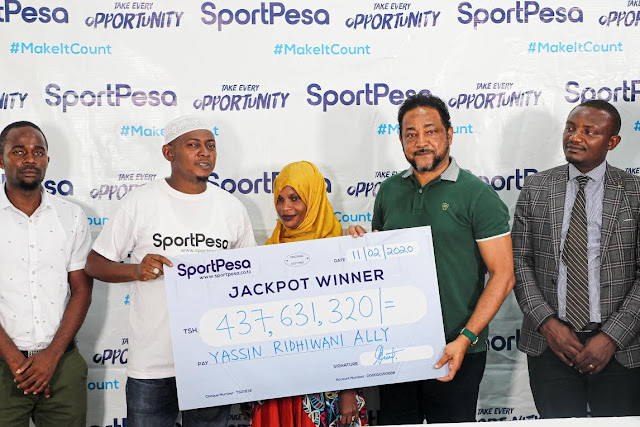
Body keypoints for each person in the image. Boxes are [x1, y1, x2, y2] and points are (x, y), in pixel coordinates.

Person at [346, 94, 514, 424]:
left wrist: (465, 338)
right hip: (397, 348)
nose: (421, 142)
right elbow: (382, 266)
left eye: (430, 131)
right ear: (400, 140)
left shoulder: (477, 195)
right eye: (411, 134)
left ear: (449, 134)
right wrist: (361, 246)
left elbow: (503, 275)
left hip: (456, 347)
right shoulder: (389, 191)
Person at [84, 115, 256, 427]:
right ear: (168, 152)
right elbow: (95, 263)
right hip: (152, 365)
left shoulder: (232, 209)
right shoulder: (140, 202)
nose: (204, 152)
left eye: (210, 146)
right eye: (193, 145)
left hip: (211, 360)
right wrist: (136, 270)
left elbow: (250, 279)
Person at [512, 100, 640, 418]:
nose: (575, 137)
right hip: (550, 346)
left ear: (612, 141)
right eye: (570, 128)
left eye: (589, 131)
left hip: (620, 348)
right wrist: (548, 324)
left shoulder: (635, 191)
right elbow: (519, 261)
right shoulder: (537, 187)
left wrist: (611, 337)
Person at [250, 161, 367, 427]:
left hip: (327, 388)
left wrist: (348, 389)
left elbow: (356, 325)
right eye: (280, 199)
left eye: (295, 198)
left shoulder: (341, 249)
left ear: (313, 199)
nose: (285, 208)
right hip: (276, 387)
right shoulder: (265, 254)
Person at [0, 121, 93, 426]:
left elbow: (81, 290)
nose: (30, 159)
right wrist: (17, 361)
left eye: (38, 152)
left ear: (48, 160)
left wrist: (51, 357)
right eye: (19, 151)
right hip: (3, 365)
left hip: (62, 364)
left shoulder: (72, 216)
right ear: (1, 159)